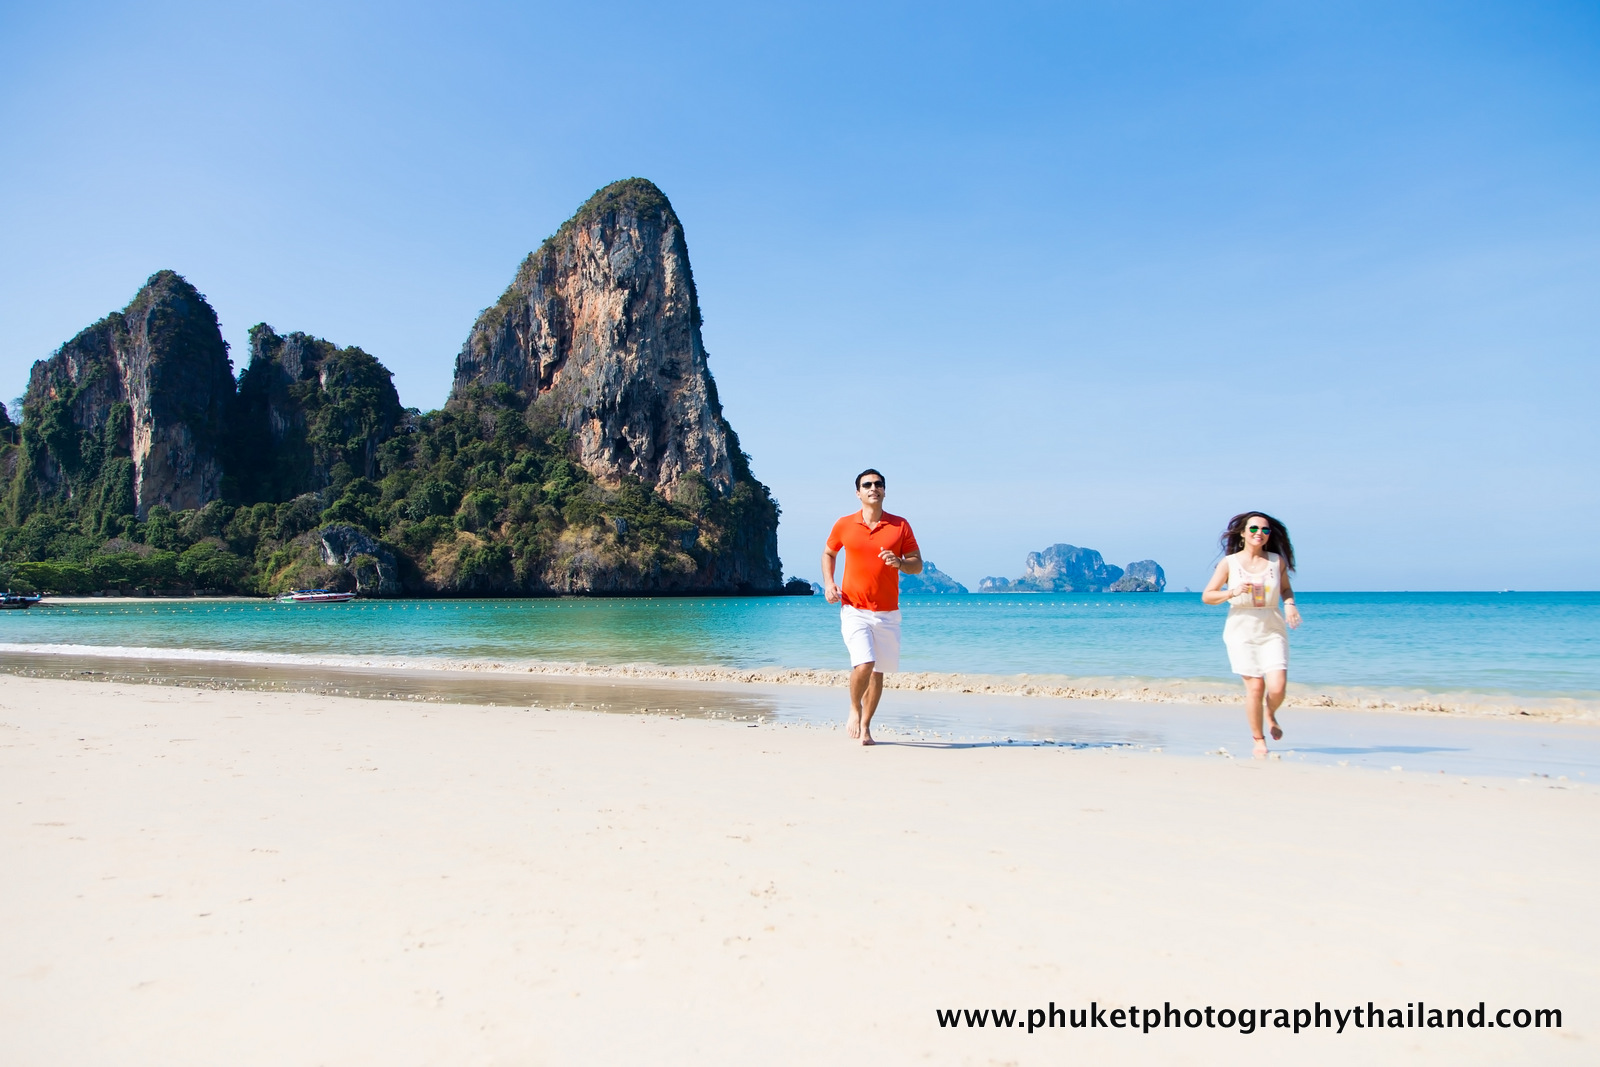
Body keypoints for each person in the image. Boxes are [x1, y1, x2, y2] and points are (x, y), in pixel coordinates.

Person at [821, 469, 922, 746]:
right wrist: (829, 583)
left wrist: (900, 563)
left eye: (878, 484)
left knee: (878, 672)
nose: (873, 488)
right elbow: (829, 552)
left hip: (888, 612)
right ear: (858, 493)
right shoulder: (844, 524)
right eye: (867, 485)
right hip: (854, 608)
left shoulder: (900, 525)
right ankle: (854, 707)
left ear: (884, 491)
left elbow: (917, 564)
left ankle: (866, 726)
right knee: (865, 663)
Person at [1201, 512, 1302, 757]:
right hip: (1241, 627)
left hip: (1272, 625)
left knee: (1278, 687)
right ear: (1243, 533)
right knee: (1255, 686)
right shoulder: (1229, 563)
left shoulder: (1276, 561)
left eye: (1265, 530)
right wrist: (1232, 592)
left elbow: (1286, 589)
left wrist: (1290, 605)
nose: (1260, 533)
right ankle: (1259, 739)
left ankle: (1270, 712)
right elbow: (1208, 596)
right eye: (1254, 528)